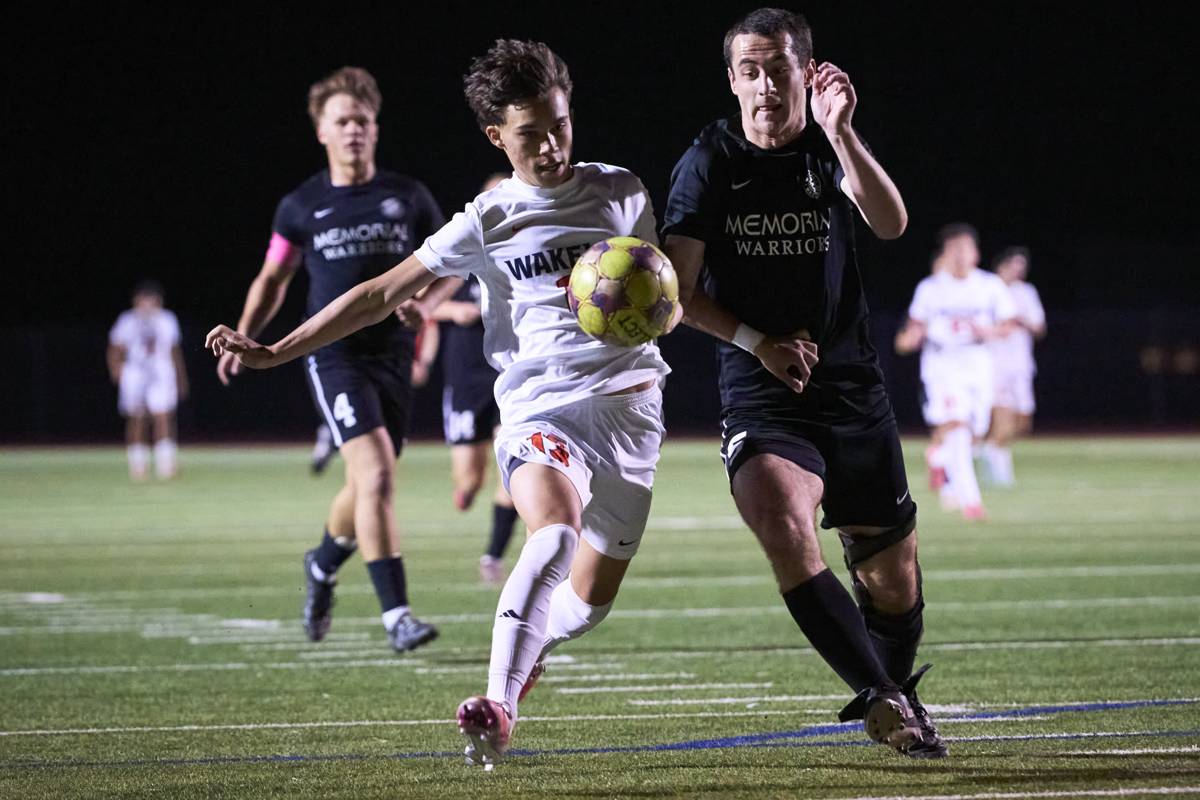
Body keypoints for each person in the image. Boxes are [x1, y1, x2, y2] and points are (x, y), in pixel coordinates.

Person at [206, 39, 672, 769]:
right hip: (539, 412)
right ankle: (498, 705)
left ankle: (535, 640)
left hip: (631, 417)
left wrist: (700, 323)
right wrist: (275, 350)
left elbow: (665, 289)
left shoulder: (622, 192)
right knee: (550, 535)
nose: (550, 145)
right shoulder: (486, 219)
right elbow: (375, 295)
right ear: (496, 137)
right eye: (529, 134)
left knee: (586, 606)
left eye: (559, 124)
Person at [662, 8, 945, 758]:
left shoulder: (828, 148)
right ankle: (885, 699)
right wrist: (757, 344)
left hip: (851, 387)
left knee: (893, 582)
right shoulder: (708, 162)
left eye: (777, 69)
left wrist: (845, 131)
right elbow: (679, 293)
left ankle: (900, 691)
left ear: (806, 73)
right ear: (732, 80)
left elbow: (889, 223)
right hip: (760, 388)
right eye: (748, 72)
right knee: (783, 525)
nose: (763, 86)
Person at [214, 66, 454, 652]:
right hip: (333, 357)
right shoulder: (302, 207)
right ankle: (396, 615)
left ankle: (321, 565)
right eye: (341, 121)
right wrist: (247, 338)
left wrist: (427, 307)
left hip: (393, 357)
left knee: (369, 480)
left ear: (376, 129)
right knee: (374, 475)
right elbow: (273, 279)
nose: (354, 130)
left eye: (363, 121)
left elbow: (456, 263)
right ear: (321, 131)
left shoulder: (409, 197)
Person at [895, 224, 1016, 518]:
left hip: (978, 365)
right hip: (943, 367)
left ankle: (939, 457)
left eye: (965, 249)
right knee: (958, 428)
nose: (960, 256)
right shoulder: (931, 288)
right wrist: (910, 338)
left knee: (975, 430)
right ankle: (970, 501)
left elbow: (1008, 325)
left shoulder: (989, 285)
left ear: (975, 253)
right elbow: (913, 328)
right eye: (954, 250)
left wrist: (987, 330)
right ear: (945, 254)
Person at [107, 280, 188, 481]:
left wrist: (180, 377)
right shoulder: (127, 320)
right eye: (143, 299)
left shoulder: (167, 319)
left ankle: (165, 464)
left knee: (163, 417)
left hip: (161, 372)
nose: (147, 303)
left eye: (151, 299)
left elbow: (174, 350)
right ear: (136, 301)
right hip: (135, 372)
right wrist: (116, 370)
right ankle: (138, 465)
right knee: (137, 419)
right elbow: (115, 347)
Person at [984, 247, 1045, 485]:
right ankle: (998, 461)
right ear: (1001, 266)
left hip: (1021, 363)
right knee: (1002, 415)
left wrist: (1021, 320)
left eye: (1022, 266)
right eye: (1014, 265)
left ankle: (991, 449)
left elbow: (1039, 327)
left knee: (1023, 420)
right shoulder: (988, 289)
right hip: (995, 363)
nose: (1019, 270)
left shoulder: (1027, 292)